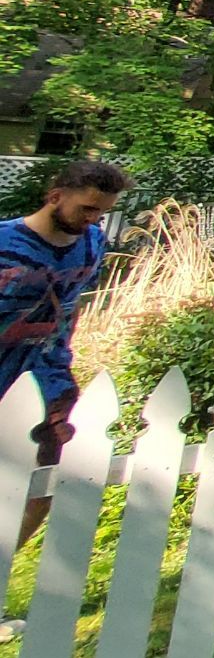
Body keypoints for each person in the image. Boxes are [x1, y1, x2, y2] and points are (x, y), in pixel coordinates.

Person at [3, 157, 130, 544]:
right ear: (55, 196)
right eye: (87, 208)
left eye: (103, 212)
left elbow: (72, 307)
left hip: (48, 373)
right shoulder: (6, 242)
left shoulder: (93, 244)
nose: (94, 219)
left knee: (48, 477)